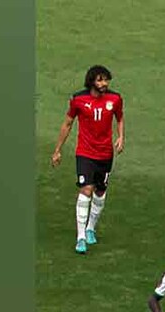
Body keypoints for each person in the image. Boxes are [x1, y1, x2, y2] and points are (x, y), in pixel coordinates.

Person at [50, 65, 125, 254]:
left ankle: (91, 228)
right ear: (91, 81)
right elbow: (67, 124)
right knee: (86, 189)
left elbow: (119, 117)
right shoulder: (78, 99)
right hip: (85, 153)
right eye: (100, 80)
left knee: (100, 191)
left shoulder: (115, 99)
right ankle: (81, 236)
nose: (104, 83)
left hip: (105, 153)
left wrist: (121, 136)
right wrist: (58, 150)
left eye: (106, 80)